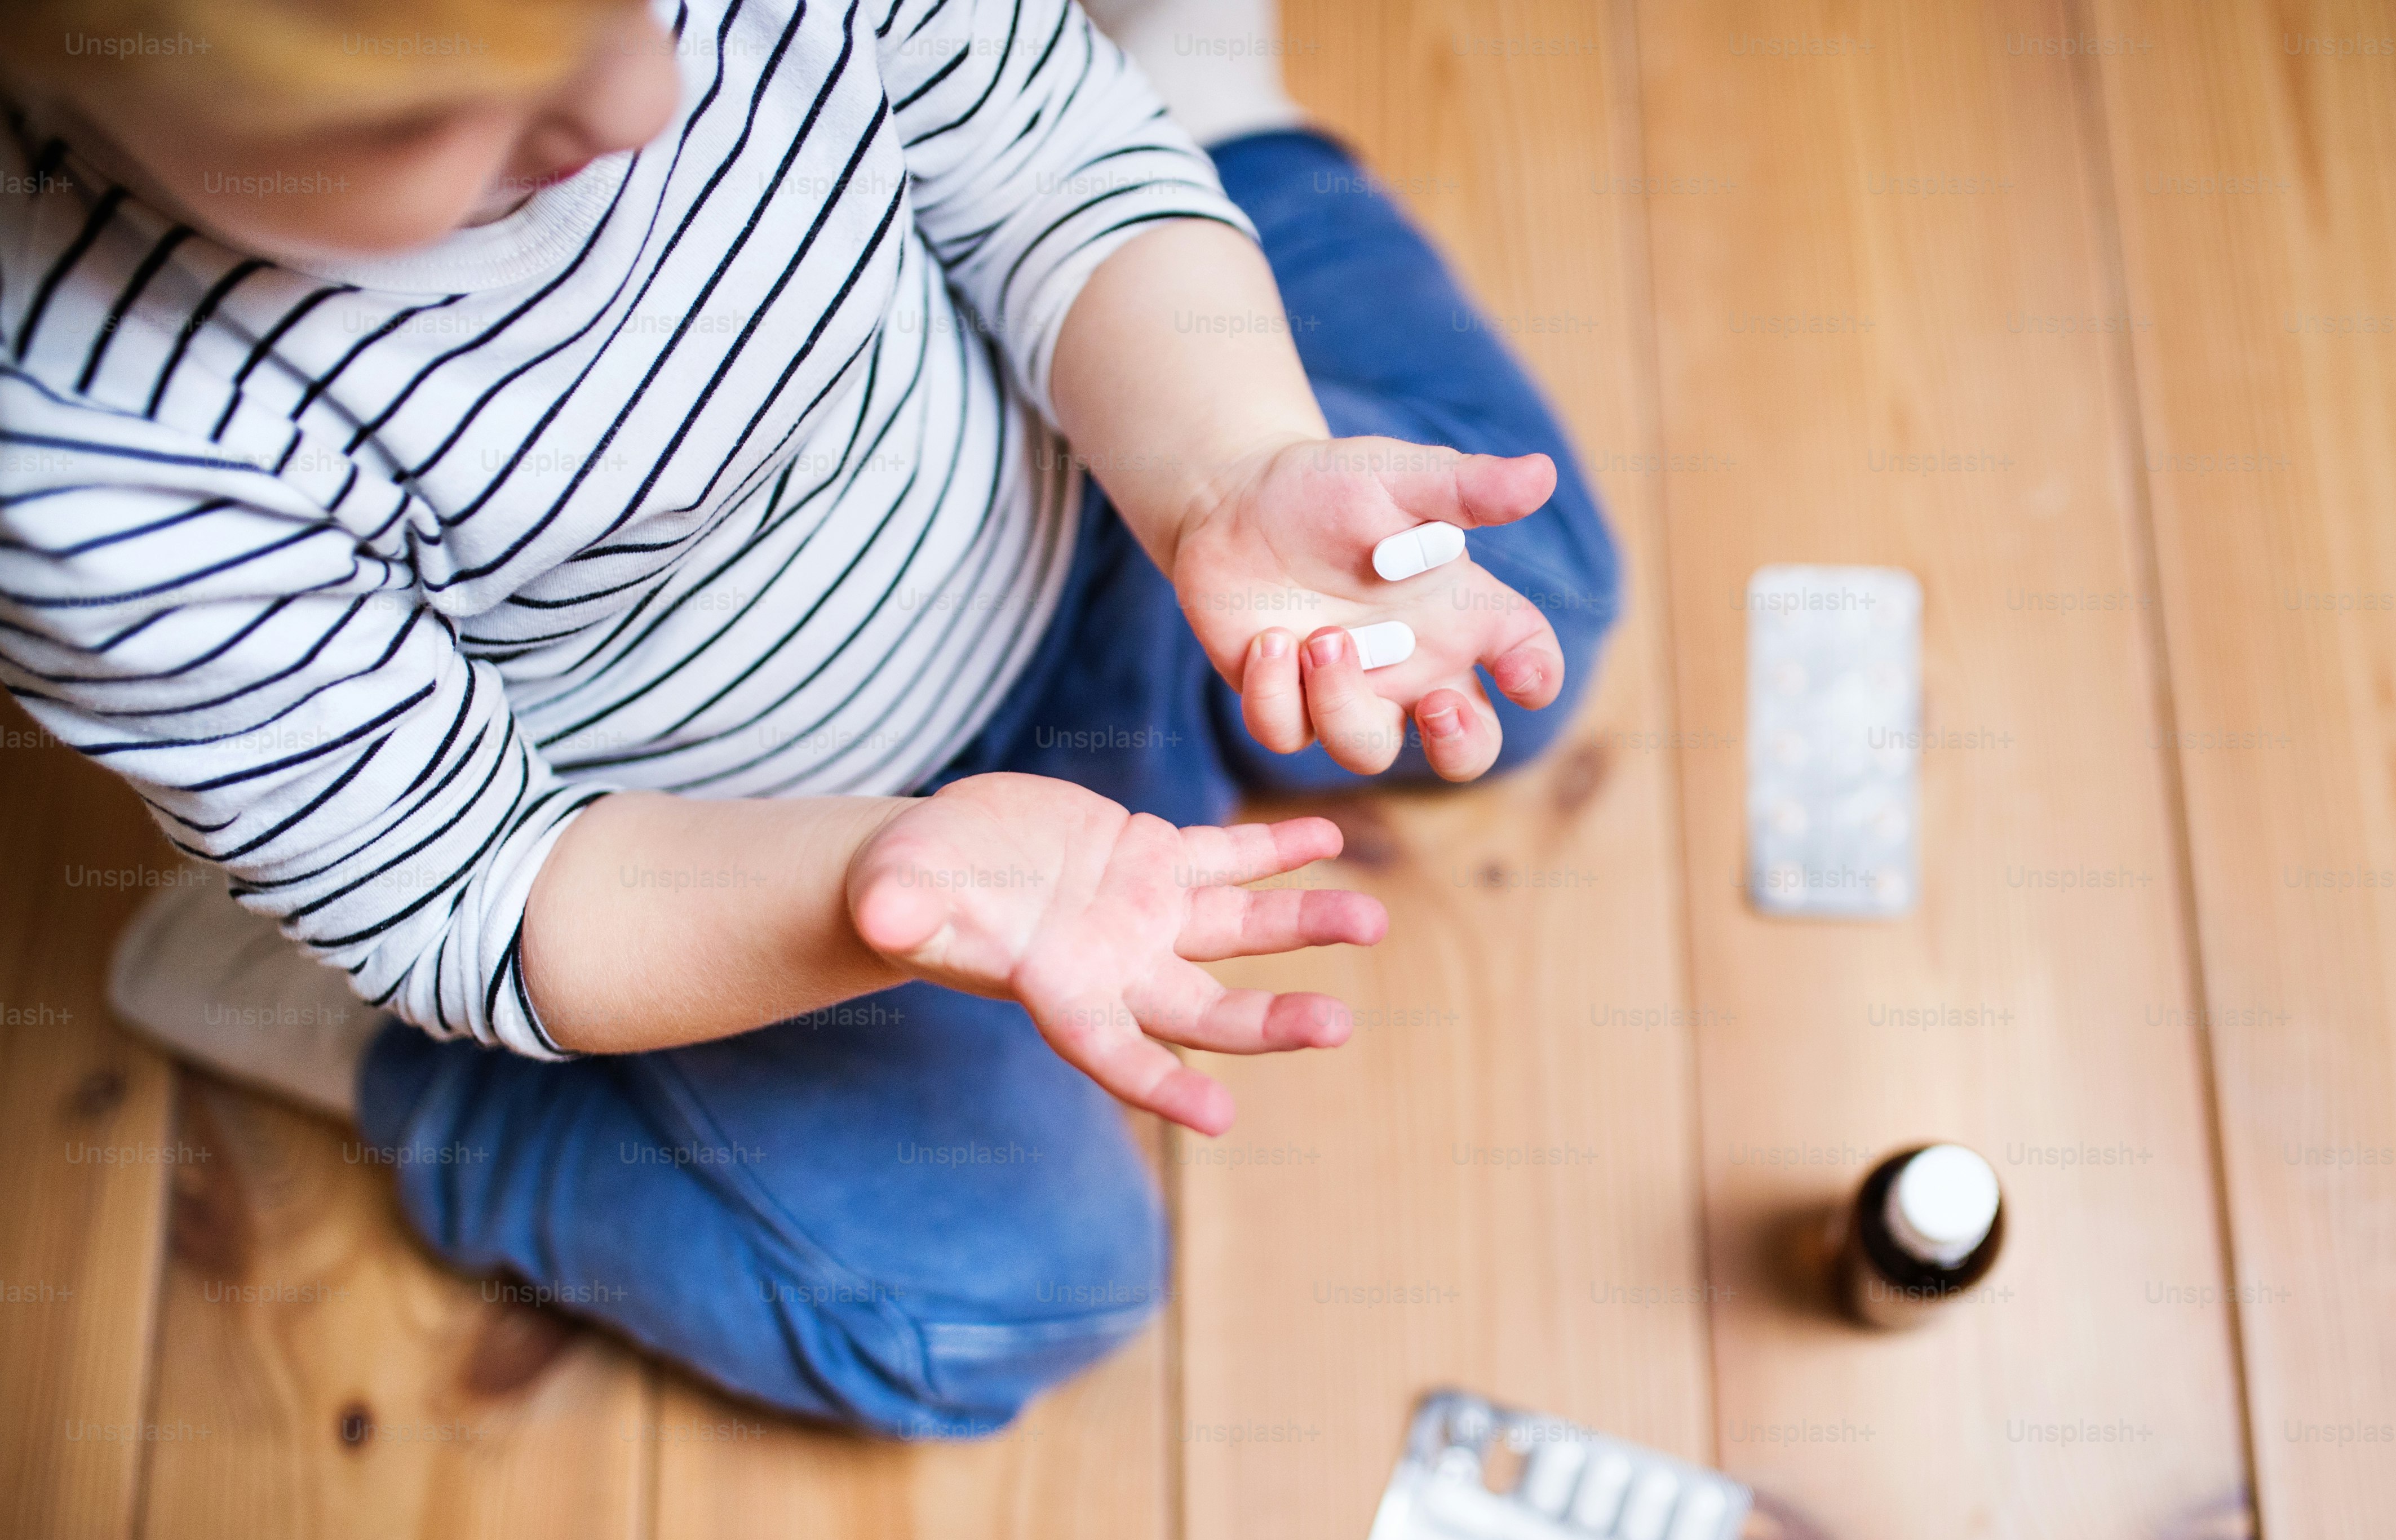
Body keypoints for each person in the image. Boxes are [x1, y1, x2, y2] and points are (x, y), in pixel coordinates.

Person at [0, 0, 1619, 1435]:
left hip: (1098, 495)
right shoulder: (88, 448)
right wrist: (882, 885)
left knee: (1535, 600)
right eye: (431, 120)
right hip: (765, 865)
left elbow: (1050, 166)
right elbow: (490, 885)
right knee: (982, 1308)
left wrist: (1235, 469)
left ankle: (1213, 109)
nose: (636, 106)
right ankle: (372, 1047)